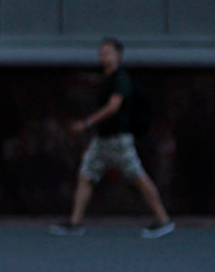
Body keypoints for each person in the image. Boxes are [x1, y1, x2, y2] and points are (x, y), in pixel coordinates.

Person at [52, 37, 174, 239]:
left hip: (118, 140)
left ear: (118, 55)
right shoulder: (107, 79)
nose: (103, 56)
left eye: (108, 52)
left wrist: (86, 123)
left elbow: (113, 106)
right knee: (86, 175)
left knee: (137, 176)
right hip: (102, 140)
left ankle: (163, 220)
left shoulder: (120, 79)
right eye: (102, 52)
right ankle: (75, 223)